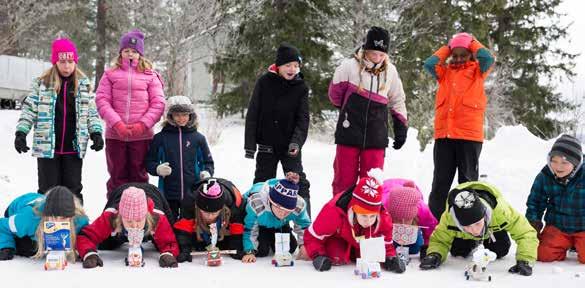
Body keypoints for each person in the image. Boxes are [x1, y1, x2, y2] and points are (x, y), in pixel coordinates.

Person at [14, 38, 103, 202]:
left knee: (73, 191)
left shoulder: (83, 85)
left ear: (75, 62)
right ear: (55, 62)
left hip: (73, 149)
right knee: (47, 191)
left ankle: (76, 225)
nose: (67, 66)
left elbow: (91, 113)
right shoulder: (42, 84)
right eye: (62, 62)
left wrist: (96, 132)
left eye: (70, 61)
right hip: (47, 149)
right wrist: (21, 133)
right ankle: (46, 224)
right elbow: (29, 109)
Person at [423, 32, 495, 219]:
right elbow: (429, 63)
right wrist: (449, 46)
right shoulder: (444, 73)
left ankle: (469, 229)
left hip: (469, 138)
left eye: (464, 54)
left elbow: (487, 56)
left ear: (471, 54)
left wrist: (471, 41)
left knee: (468, 184)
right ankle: (435, 226)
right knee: (440, 184)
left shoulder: (479, 71)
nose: (458, 58)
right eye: (455, 55)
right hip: (444, 137)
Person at [328, 26, 408, 196]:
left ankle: (366, 220)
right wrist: (347, 109)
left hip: (375, 136)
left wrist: (401, 126)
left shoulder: (391, 72)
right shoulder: (348, 66)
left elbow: (397, 99)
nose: (377, 58)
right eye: (373, 53)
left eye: (381, 54)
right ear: (365, 49)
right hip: (349, 132)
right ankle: (340, 218)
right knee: (344, 181)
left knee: (371, 184)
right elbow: (334, 94)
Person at [96, 29, 166, 196]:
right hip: (115, 135)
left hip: (141, 137)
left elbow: (158, 103)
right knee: (117, 176)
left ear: (140, 54)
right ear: (120, 53)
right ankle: (114, 212)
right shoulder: (110, 74)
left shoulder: (150, 76)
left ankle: (141, 215)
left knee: (139, 176)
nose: (130, 54)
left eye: (134, 51)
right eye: (126, 50)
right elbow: (102, 100)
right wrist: (117, 124)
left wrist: (142, 125)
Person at [244, 43, 311, 214]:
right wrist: (250, 145)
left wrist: (296, 142)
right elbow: (253, 113)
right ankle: (257, 222)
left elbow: (303, 120)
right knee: (261, 184)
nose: (292, 69)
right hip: (267, 145)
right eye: (288, 65)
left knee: (298, 183)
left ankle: (304, 225)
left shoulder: (301, 87)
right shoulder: (264, 82)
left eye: (296, 65)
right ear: (279, 66)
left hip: (290, 147)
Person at [419, 182, 538, 276]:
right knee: (458, 252)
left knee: (500, 250)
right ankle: (473, 242)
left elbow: (526, 232)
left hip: (492, 230)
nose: (474, 230)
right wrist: (435, 255)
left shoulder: (501, 212)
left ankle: (489, 238)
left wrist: (525, 260)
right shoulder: (449, 218)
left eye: (477, 224)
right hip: (464, 236)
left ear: (484, 215)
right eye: (467, 226)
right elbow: (440, 239)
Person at [304, 173, 406, 273]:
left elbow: (386, 244)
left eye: (372, 216)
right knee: (336, 256)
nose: (368, 221)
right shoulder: (333, 212)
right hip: (339, 238)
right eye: (363, 216)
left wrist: (390, 258)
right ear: (354, 209)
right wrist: (317, 255)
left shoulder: (383, 217)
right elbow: (312, 236)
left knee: (371, 259)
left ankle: (357, 252)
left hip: (363, 241)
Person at [76, 183, 179, 268]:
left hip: (154, 193)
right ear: (121, 216)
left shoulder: (157, 217)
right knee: (106, 245)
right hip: (119, 192)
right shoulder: (111, 216)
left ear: (146, 215)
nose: (134, 226)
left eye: (138, 220)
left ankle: (144, 233)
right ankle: (123, 233)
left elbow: (170, 242)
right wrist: (89, 254)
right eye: (129, 221)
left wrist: (168, 254)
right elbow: (86, 236)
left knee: (161, 243)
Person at [145, 96, 214, 218]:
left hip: (193, 192)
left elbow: (208, 162)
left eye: (185, 114)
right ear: (170, 116)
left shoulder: (198, 138)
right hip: (168, 193)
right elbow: (149, 162)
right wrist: (157, 169)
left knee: (188, 226)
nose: (181, 118)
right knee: (170, 224)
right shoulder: (160, 138)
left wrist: (206, 173)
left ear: (191, 115)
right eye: (177, 115)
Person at [525, 134, 585, 263]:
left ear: (576, 163)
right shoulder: (545, 176)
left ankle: (578, 244)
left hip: (583, 226)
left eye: (565, 162)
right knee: (543, 255)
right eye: (554, 161)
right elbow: (535, 202)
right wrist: (533, 224)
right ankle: (567, 243)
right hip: (558, 226)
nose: (558, 166)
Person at [0, 186, 88, 261]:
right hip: (18, 206)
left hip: (39, 201)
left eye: (63, 218)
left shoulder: (80, 220)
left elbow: (87, 238)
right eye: (53, 217)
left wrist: (83, 251)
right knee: (30, 248)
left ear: (72, 216)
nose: (57, 222)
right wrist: (6, 246)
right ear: (46, 214)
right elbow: (2, 225)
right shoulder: (29, 219)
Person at [241, 175, 311, 263]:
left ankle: (272, 237)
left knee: (290, 247)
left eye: (287, 211)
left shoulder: (299, 206)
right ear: (270, 201)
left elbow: (304, 226)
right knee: (261, 250)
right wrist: (249, 251)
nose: (282, 214)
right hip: (259, 223)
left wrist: (304, 245)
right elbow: (249, 229)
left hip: (280, 223)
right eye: (279, 208)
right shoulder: (256, 203)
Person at [173, 177, 246, 262]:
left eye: (214, 213)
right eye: (206, 212)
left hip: (224, 222)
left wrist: (236, 248)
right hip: (199, 224)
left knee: (226, 243)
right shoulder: (190, 202)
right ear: (198, 207)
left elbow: (237, 226)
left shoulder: (234, 202)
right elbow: (183, 228)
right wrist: (184, 249)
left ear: (222, 208)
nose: (210, 216)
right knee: (195, 242)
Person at [382, 179, 437, 257]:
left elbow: (430, 226)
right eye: (398, 220)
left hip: (411, 194)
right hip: (387, 189)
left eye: (407, 220)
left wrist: (427, 245)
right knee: (391, 246)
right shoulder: (383, 208)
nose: (403, 224)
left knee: (414, 248)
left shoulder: (422, 209)